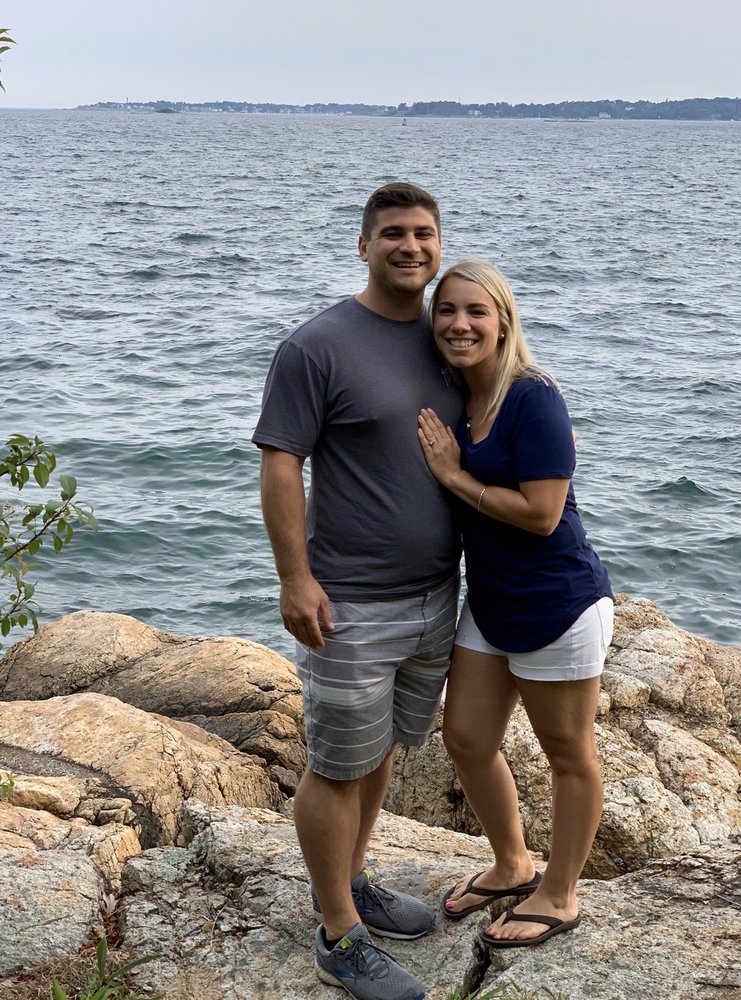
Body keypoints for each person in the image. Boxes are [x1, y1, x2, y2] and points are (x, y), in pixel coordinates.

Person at [252, 183, 462, 999]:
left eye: (424, 233)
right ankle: (338, 935)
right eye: (393, 233)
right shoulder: (316, 346)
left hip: (436, 596)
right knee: (337, 766)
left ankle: (349, 879)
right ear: (363, 245)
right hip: (350, 601)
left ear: (438, 244)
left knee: (380, 754)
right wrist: (294, 578)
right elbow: (281, 463)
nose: (410, 246)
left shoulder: (449, 335)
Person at [417, 258, 613, 949]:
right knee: (467, 738)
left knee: (568, 754)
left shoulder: (533, 397)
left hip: (557, 603)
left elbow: (541, 513)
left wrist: (452, 476)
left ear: (502, 322)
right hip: (491, 599)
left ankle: (559, 895)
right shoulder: (455, 395)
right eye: (446, 310)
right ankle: (511, 864)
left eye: (476, 311)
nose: (460, 324)